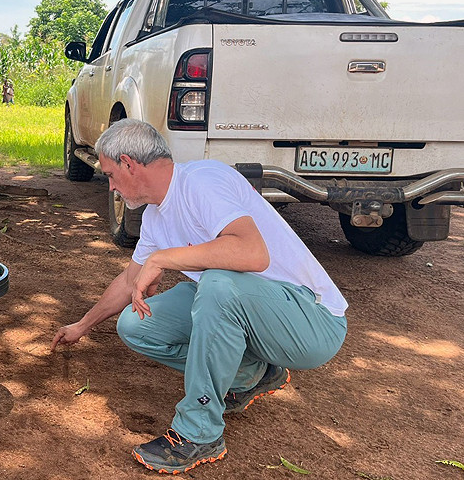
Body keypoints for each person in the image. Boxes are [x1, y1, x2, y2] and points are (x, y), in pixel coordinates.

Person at [51, 119, 347, 474]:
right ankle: (252, 372)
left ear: (130, 163)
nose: (111, 186)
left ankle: (200, 432)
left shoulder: (201, 180)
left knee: (217, 285)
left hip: (311, 323)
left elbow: (253, 254)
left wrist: (163, 258)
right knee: (135, 323)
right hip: (252, 311)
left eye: (112, 174)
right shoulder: (156, 218)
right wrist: (82, 326)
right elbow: (132, 278)